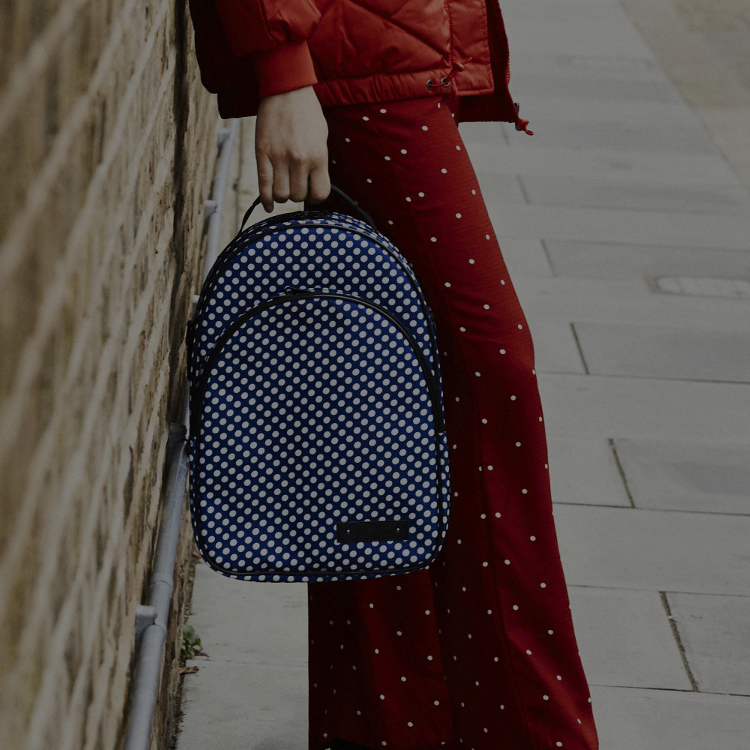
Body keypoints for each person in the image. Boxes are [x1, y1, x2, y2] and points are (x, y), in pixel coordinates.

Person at [187, 2, 600, 749]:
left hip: (386, 47)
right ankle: (527, 732)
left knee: (386, 405)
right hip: (358, 59)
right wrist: (284, 74)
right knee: (486, 374)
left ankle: (385, 727)